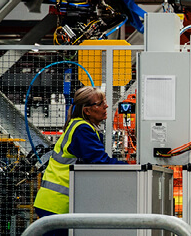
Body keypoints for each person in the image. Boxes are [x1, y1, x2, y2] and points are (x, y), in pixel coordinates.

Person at [33, 87, 127, 236]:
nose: (106, 105)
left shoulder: (80, 126)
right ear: (87, 111)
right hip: (58, 205)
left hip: (53, 204)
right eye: (100, 103)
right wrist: (133, 168)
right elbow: (100, 162)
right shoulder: (82, 130)